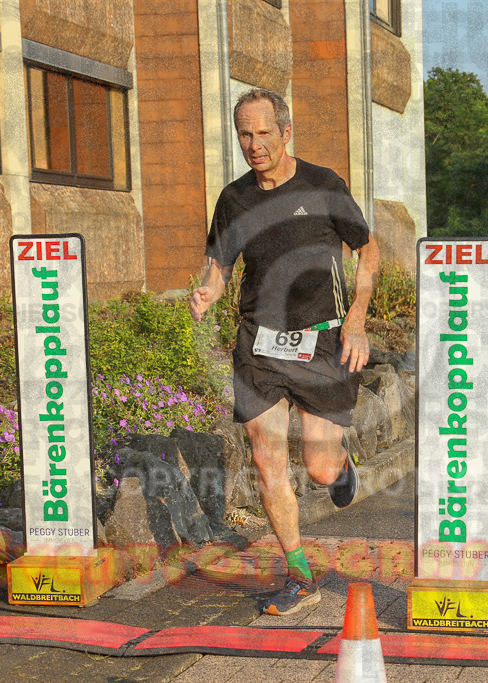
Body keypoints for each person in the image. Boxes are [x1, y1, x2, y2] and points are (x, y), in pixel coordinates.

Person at [189, 88, 380, 617]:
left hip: (322, 338)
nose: (254, 144)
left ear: (285, 132)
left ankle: (340, 467)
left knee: (317, 467)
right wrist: (209, 289)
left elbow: (368, 248)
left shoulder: (323, 184)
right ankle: (300, 575)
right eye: (245, 135)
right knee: (265, 455)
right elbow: (221, 264)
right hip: (260, 342)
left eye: (263, 133)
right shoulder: (234, 198)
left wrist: (357, 321)